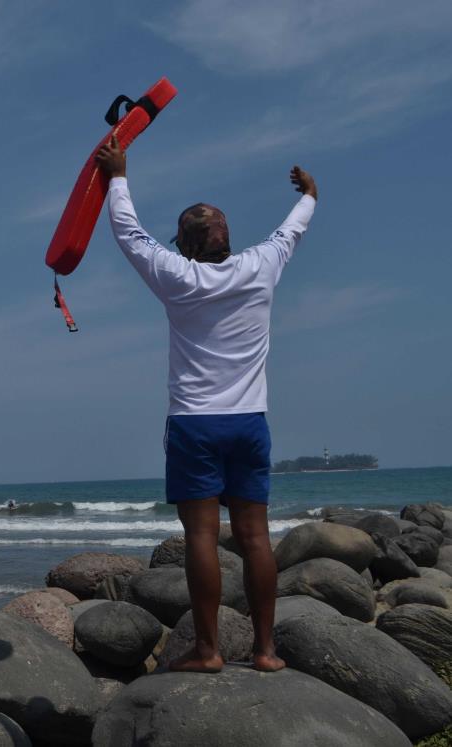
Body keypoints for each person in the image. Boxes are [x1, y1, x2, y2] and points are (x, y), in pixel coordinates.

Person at [96, 135, 317, 673]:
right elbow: (292, 228)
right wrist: (309, 195)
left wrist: (118, 175)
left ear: (187, 245)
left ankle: (209, 650)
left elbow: (128, 232)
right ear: (227, 237)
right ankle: (266, 652)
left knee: (199, 535)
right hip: (249, 422)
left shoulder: (177, 275)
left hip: (195, 424)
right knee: (255, 537)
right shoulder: (263, 265)